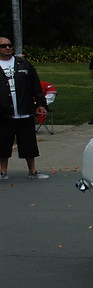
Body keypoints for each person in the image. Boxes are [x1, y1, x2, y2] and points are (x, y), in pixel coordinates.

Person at [0, 36, 49, 180]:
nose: (8, 48)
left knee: (28, 143)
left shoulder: (23, 63)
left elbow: (36, 85)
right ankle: (2, 172)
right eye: (3, 46)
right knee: (3, 143)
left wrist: (41, 104)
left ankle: (33, 171)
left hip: (24, 110)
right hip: (4, 113)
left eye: (9, 45)